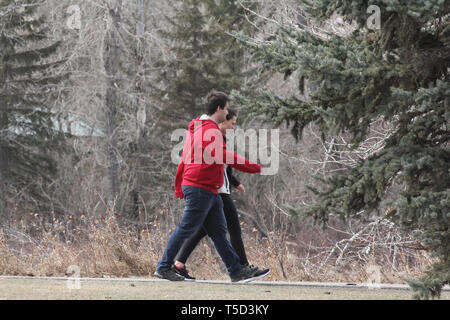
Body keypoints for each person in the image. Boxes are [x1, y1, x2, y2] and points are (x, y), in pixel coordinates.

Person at [154, 90, 267, 283]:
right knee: (186, 228)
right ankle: (164, 267)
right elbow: (225, 157)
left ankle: (236, 271)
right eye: (226, 109)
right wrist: (254, 166)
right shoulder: (210, 130)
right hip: (200, 187)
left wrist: (180, 184)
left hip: (207, 187)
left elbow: (184, 159)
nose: (227, 113)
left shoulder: (198, 128)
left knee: (218, 232)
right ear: (219, 108)